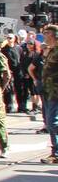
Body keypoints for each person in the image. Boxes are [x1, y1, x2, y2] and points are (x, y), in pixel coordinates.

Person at [39, 25, 58, 164]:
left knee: (52, 122)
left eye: (46, 33)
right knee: (50, 122)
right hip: (49, 91)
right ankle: (55, 152)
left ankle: (56, 153)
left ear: (53, 35)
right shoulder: (51, 51)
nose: (44, 36)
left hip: (56, 92)